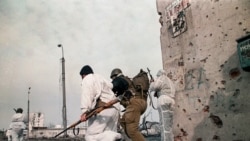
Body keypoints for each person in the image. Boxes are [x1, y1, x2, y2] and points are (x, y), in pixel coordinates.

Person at [79, 65, 121, 141]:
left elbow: (87, 95)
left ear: (83, 75)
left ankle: (116, 136)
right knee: (106, 135)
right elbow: (111, 86)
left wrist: (84, 111)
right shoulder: (100, 78)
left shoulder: (87, 79)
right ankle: (114, 136)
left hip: (105, 108)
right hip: (115, 108)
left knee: (90, 136)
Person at [110, 68, 147, 141]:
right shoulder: (127, 81)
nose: (113, 79)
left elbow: (113, 85)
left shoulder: (120, 79)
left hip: (134, 104)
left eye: (113, 78)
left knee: (132, 131)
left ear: (115, 75)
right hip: (140, 103)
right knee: (123, 121)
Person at [149, 69, 176, 141]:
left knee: (164, 124)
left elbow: (155, 87)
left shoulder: (161, 78)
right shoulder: (170, 81)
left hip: (164, 100)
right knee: (169, 125)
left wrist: (151, 83)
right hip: (171, 100)